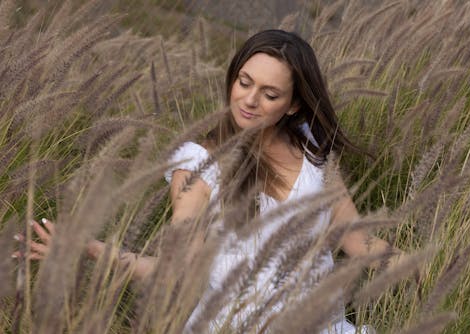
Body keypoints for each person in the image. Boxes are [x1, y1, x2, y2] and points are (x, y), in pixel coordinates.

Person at [16, 30, 400, 333]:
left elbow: (355, 237)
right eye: (244, 82)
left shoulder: (311, 149)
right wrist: (89, 248)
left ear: (294, 104)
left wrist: (419, 265)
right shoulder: (199, 165)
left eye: (269, 94)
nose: (249, 100)